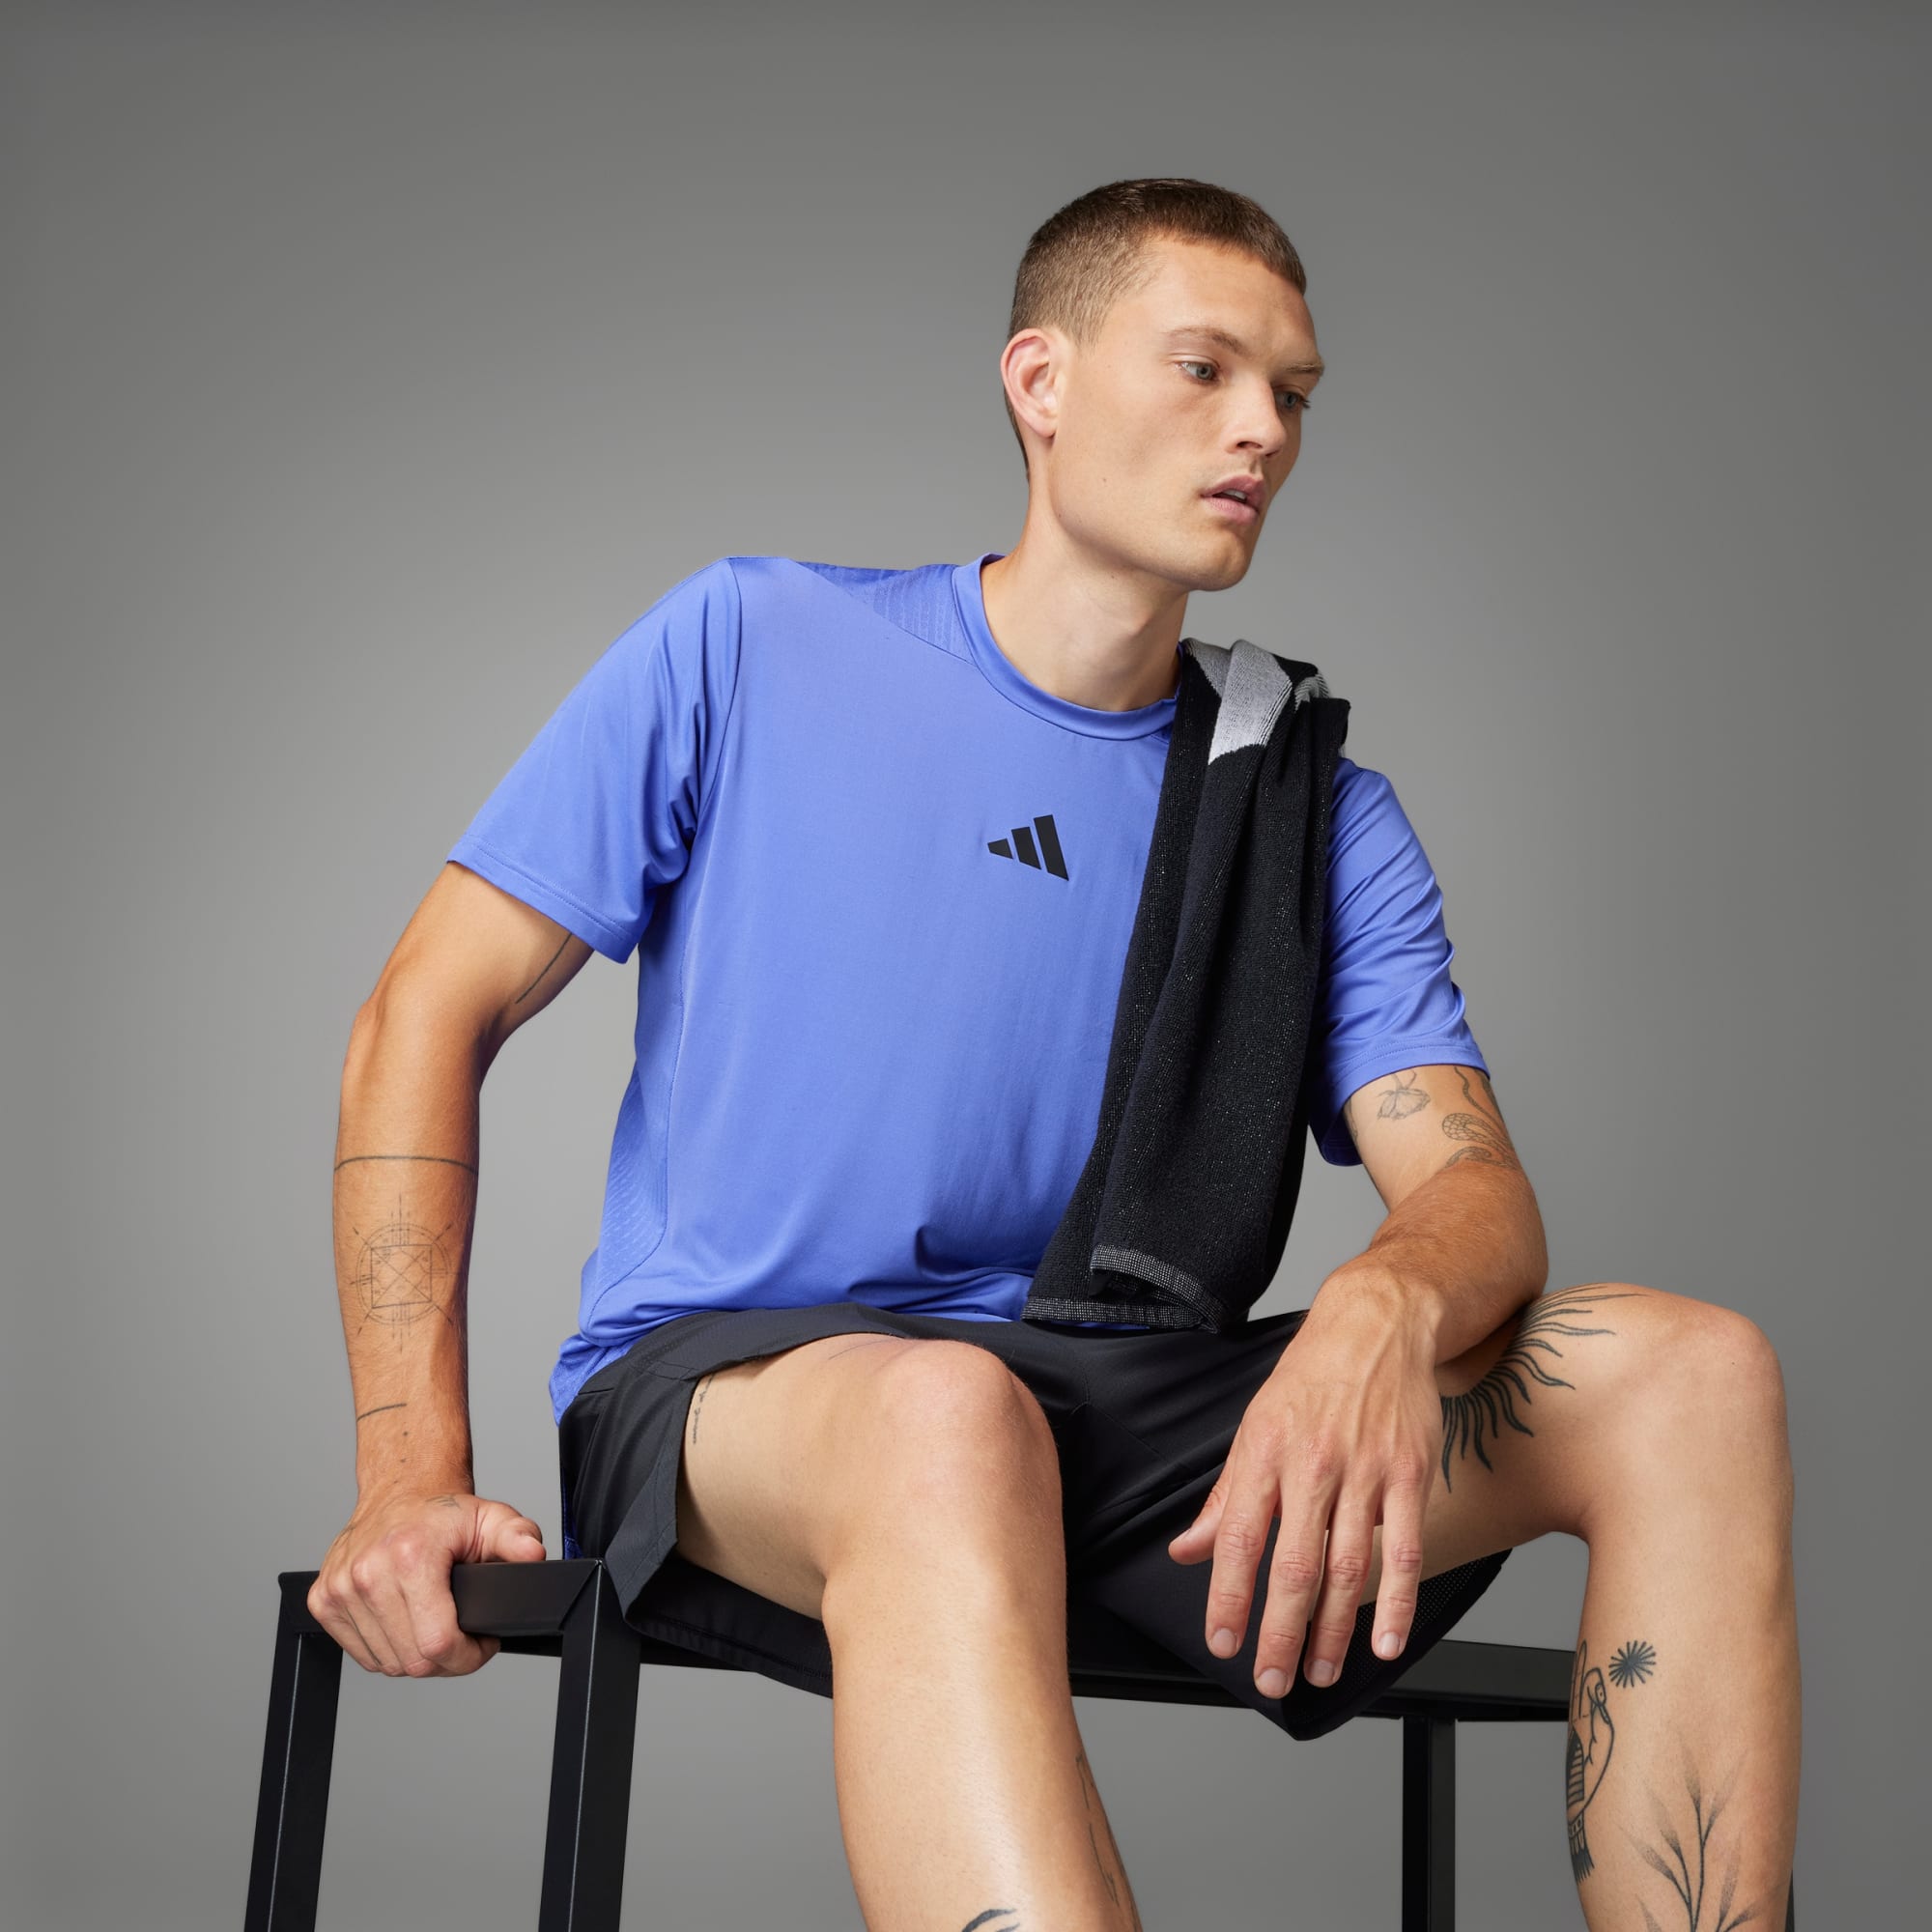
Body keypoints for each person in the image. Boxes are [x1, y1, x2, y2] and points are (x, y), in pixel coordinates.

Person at [307, 179, 1800, 1932]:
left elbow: (1469, 1187)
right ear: (1041, 381)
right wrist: (407, 1477)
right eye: (1205, 368)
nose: (1262, 429)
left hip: (1126, 1404)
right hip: (743, 1395)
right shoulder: (754, 642)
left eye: (1293, 392)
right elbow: (424, 1013)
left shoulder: (1314, 814)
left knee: (1690, 1377)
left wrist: (1381, 1305)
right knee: (953, 1414)